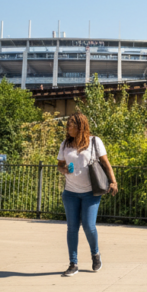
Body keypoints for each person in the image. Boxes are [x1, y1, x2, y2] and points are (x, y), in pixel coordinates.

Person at [56, 113, 120, 277]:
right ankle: (73, 263)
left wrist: (113, 182)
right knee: (72, 228)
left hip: (91, 193)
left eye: (71, 125)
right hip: (70, 193)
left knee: (89, 226)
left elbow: (106, 163)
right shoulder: (65, 144)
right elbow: (60, 165)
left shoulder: (94, 141)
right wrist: (63, 170)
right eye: (68, 125)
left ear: (80, 126)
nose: (68, 128)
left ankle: (95, 253)